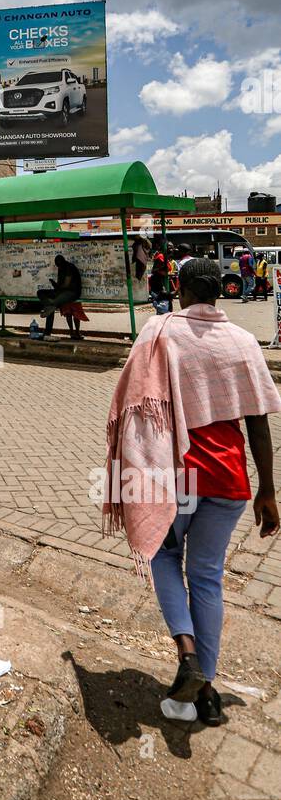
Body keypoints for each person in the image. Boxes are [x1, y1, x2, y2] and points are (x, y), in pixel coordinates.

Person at [103, 258, 281, 725]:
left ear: (179, 289)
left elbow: (129, 399)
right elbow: (259, 422)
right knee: (207, 576)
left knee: (163, 556)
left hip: (177, 475)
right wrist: (268, 490)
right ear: (220, 290)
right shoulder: (243, 342)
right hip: (229, 479)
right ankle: (208, 691)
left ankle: (186, 651)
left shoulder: (160, 331)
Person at [38, 254, 83, 337]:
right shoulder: (60, 268)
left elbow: (66, 285)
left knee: (54, 303)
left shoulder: (69, 267)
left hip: (72, 293)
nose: (59, 267)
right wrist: (55, 285)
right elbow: (60, 285)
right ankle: (51, 306)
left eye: (60, 265)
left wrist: (58, 287)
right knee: (40, 293)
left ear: (63, 262)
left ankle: (52, 306)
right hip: (62, 292)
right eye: (58, 265)